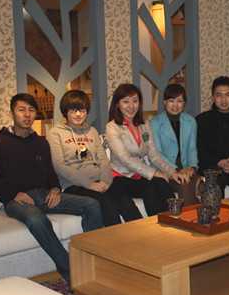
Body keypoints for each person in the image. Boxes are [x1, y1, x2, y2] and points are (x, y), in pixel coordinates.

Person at [0, 93, 104, 284]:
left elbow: (50, 172)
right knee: (36, 219)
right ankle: (71, 270)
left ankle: (94, 261)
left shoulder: (40, 142)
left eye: (31, 110)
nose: (27, 115)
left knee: (91, 205)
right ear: (12, 113)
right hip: (16, 200)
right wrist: (14, 194)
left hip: (44, 195)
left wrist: (55, 189)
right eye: (21, 110)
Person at [48, 90, 142, 226]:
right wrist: (89, 184)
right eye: (74, 111)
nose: (78, 114)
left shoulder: (92, 131)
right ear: (65, 112)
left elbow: (103, 161)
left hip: (99, 182)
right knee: (106, 203)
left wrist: (106, 182)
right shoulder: (55, 133)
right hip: (74, 186)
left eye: (82, 110)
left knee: (124, 199)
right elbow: (60, 166)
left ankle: (140, 233)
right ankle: (116, 238)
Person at [105, 83, 178, 216]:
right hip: (121, 177)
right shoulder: (112, 127)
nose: (131, 106)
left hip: (139, 176)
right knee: (154, 184)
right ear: (117, 104)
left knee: (160, 184)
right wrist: (154, 173)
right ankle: (157, 223)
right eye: (126, 102)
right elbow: (126, 159)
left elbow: (153, 154)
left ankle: (175, 217)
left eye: (135, 101)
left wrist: (171, 172)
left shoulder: (144, 124)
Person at [150, 84, 199, 205]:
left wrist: (192, 168)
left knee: (208, 186)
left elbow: (192, 149)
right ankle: (192, 215)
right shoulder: (154, 123)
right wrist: (176, 170)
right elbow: (157, 153)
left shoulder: (190, 121)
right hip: (166, 170)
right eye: (171, 101)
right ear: (164, 102)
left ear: (184, 103)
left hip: (187, 169)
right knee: (185, 185)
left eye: (179, 101)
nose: (175, 105)